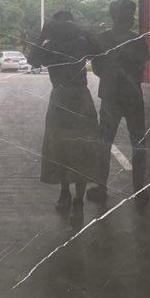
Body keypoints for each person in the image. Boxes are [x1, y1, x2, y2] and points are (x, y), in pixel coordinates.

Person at [29, 11, 101, 219]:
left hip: (63, 98)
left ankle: (68, 194)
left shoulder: (56, 44)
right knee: (77, 147)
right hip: (79, 98)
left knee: (63, 147)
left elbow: (33, 59)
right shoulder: (72, 44)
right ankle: (74, 197)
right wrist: (82, 31)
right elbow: (99, 51)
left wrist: (44, 34)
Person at [90, 0, 148, 203]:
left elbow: (97, 69)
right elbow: (141, 67)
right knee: (138, 143)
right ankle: (139, 190)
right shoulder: (138, 40)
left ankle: (101, 187)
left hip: (110, 96)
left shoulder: (102, 39)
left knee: (104, 143)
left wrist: (111, 77)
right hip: (133, 97)